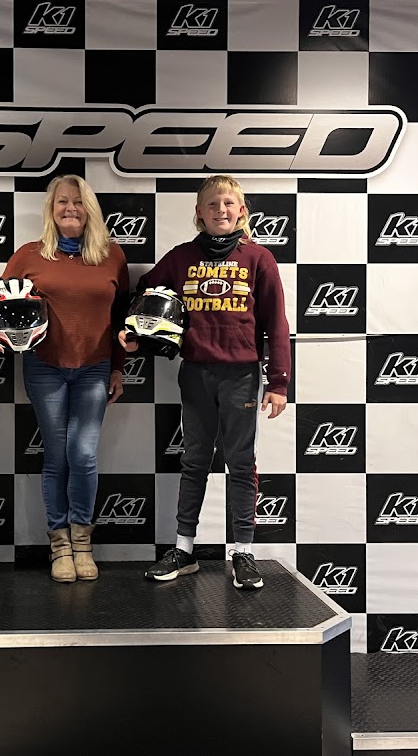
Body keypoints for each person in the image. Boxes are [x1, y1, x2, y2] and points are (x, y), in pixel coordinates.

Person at [121, 175, 290, 591]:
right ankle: (184, 550)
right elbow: (145, 293)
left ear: (242, 211)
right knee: (195, 461)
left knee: (240, 462)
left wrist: (279, 382)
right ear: (199, 213)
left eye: (228, 203)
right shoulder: (181, 257)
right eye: (212, 204)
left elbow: (276, 323)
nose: (220, 210)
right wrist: (137, 332)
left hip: (241, 376)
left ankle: (242, 552)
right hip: (195, 372)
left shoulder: (259, 258)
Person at [0, 175, 129, 583]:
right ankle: (59, 544)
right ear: (51, 209)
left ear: (90, 209)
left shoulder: (112, 256)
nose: (70, 208)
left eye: (78, 202)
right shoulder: (29, 255)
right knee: (57, 456)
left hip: (94, 367)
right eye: (62, 201)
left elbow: (121, 318)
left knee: (83, 455)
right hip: (44, 366)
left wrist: (118, 366)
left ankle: (83, 542)